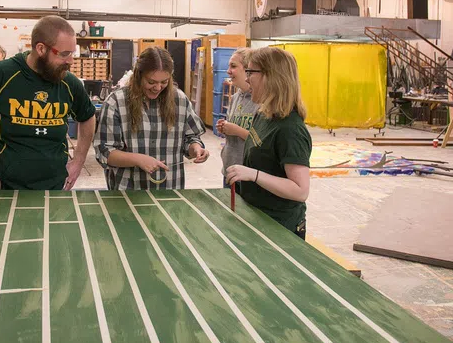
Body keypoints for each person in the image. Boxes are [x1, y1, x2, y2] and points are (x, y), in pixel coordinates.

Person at [0, 15, 96, 190]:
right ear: (41, 48)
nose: (71, 61)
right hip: (4, 188)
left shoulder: (68, 82)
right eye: (65, 54)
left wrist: (78, 162)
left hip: (56, 187)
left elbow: (88, 116)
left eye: (72, 53)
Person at [226, 47, 312, 240]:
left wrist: (253, 175)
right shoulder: (263, 114)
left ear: (271, 76)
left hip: (279, 227)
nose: (246, 79)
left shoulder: (290, 129)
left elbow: (300, 190)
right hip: (257, 216)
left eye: (251, 72)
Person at [95, 47, 209, 190]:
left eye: (164, 82)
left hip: (170, 189)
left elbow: (191, 138)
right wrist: (138, 159)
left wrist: (196, 149)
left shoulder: (179, 100)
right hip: (128, 191)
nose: (157, 87)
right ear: (138, 75)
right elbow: (104, 151)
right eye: (151, 82)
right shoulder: (116, 102)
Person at [216, 48, 258, 188]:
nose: (228, 71)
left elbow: (264, 142)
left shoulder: (260, 101)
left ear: (248, 70)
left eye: (233, 66)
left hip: (248, 174)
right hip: (229, 171)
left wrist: (236, 130)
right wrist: (226, 128)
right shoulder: (235, 98)